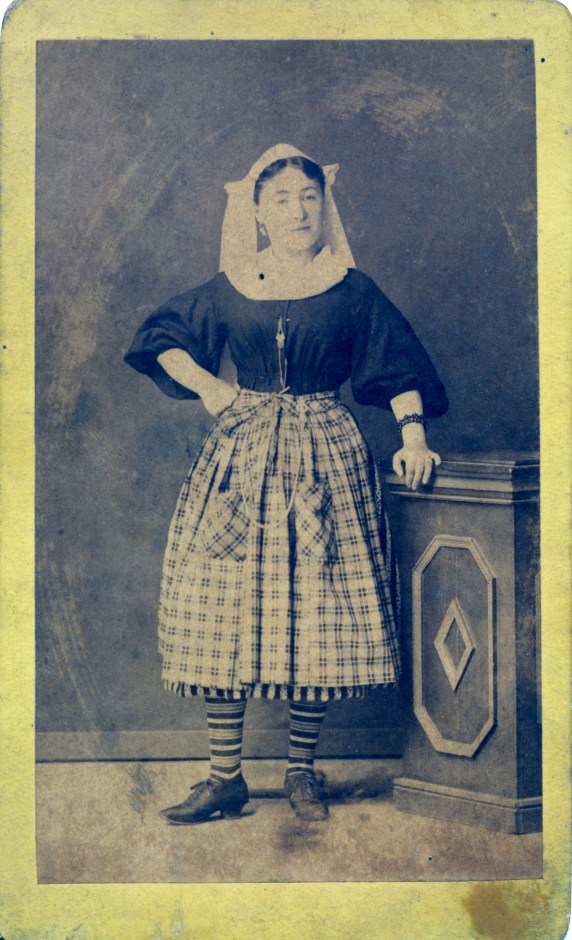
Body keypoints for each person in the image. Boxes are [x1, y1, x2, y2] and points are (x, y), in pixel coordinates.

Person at [124, 143, 448, 824]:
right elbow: (161, 338)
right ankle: (224, 778)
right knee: (222, 608)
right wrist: (211, 387)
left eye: (308, 197)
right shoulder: (232, 285)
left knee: (315, 612)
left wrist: (413, 435)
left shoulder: (350, 288)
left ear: (324, 206)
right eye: (281, 199)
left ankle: (302, 771)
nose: (298, 210)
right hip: (240, 458)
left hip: (325, 454)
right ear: (257, 212)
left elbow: (396, 365)